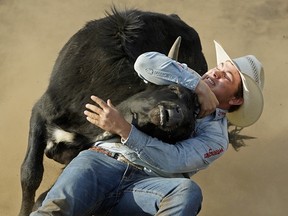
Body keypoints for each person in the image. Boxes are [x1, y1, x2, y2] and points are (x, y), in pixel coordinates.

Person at [30, 41, 264, 216]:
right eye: (220, 66)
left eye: (227, 76)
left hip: (144, 185)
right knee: (53, 211)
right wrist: (197, 85)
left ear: (236, 100)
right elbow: (145, 62)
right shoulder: (182, 75)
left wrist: (124, 130)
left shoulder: (216, 138)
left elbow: (175, 160)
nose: (215, 72)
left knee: (187, 191)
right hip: (102, 163)